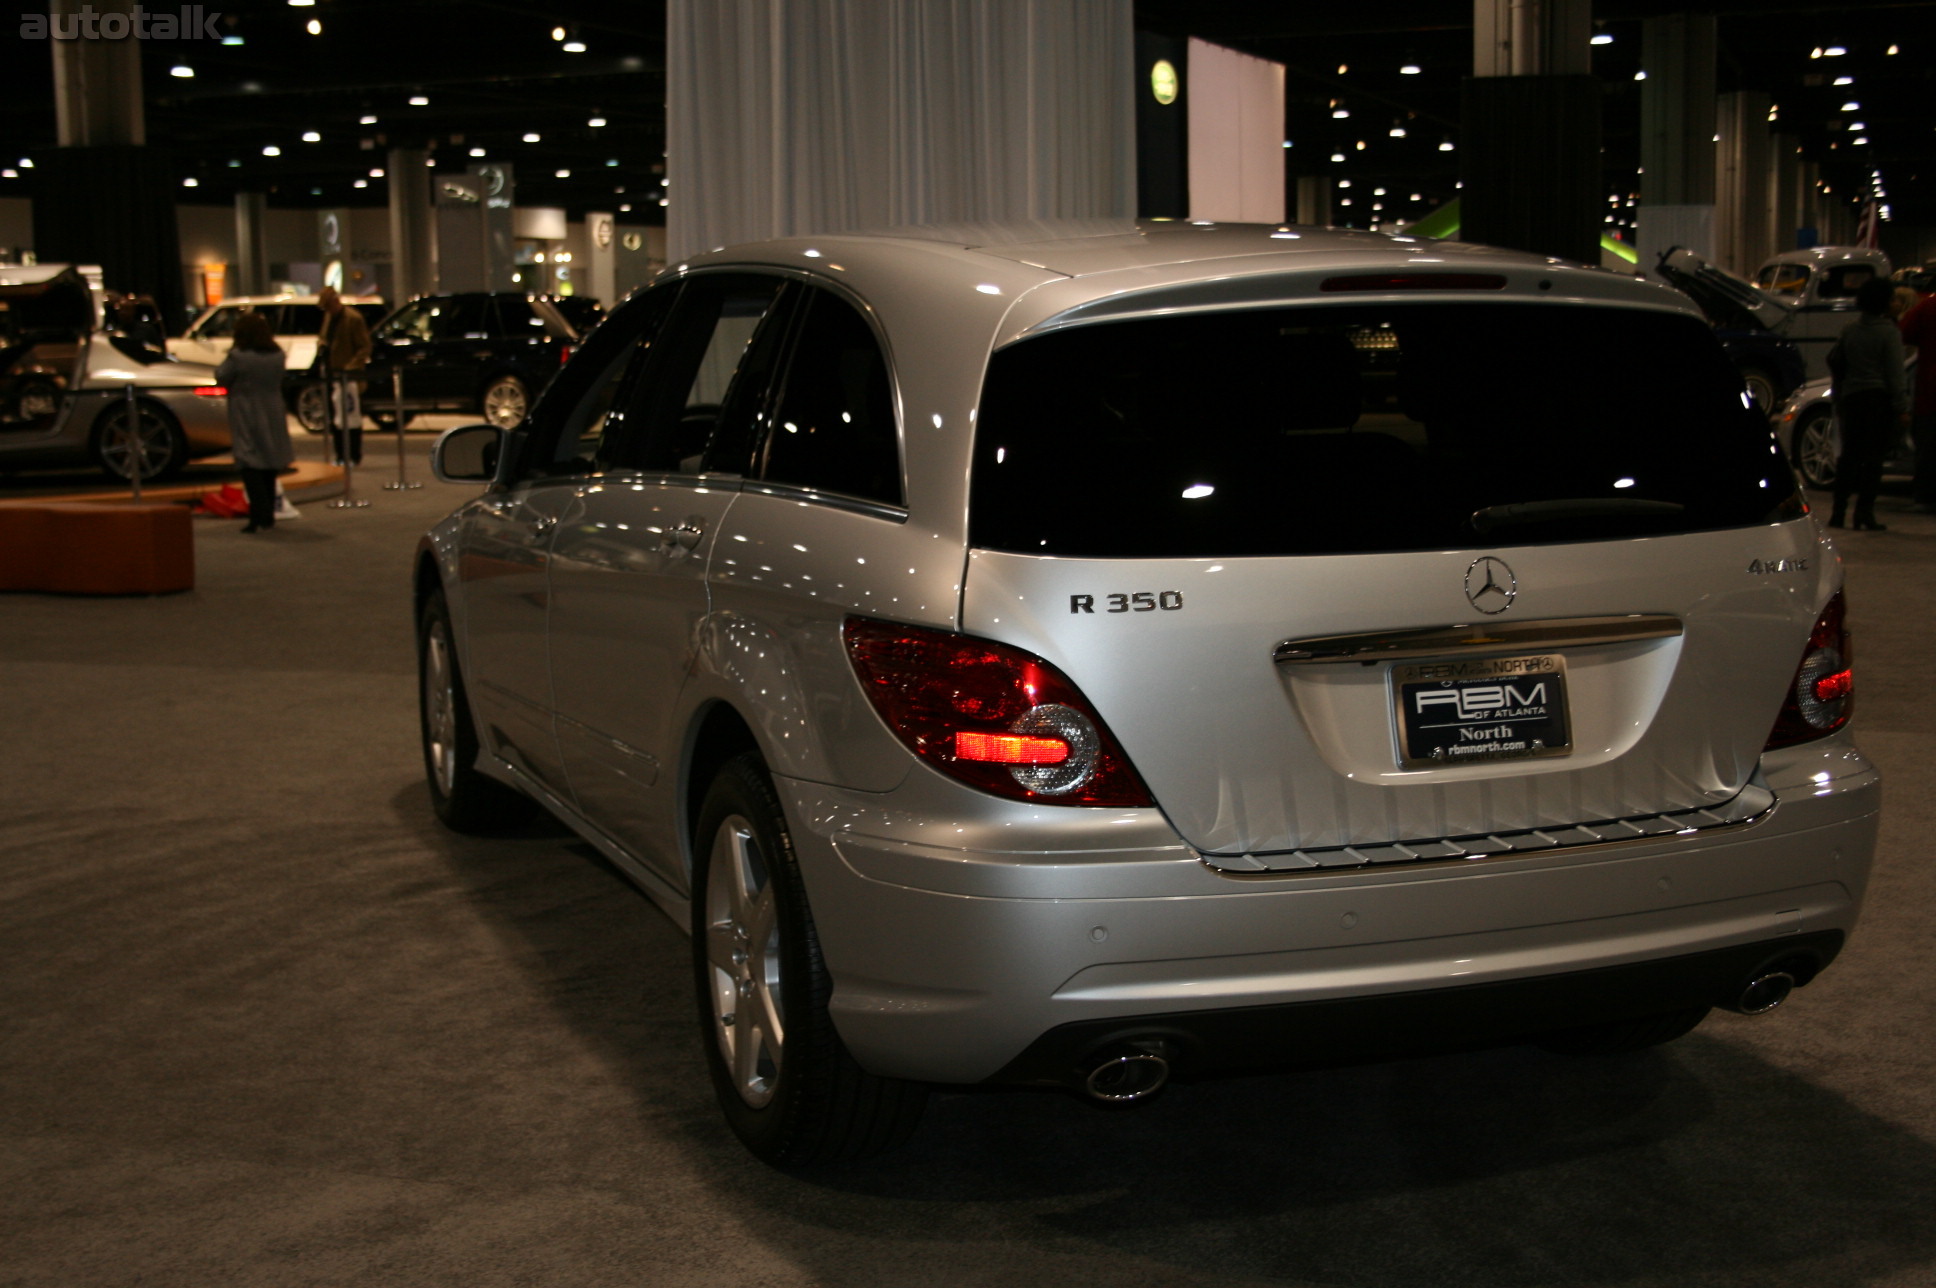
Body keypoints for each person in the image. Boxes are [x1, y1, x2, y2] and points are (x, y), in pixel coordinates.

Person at [1826, 276, 1910, 531]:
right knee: (1873, 460)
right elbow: (1895, 374)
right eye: (1893, 299)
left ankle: (1838, 512)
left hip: (1852, 399)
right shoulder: (1889, 332)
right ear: (1883, 302)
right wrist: (1902, 407)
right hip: (1877, 401)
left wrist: (1839, 396)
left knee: (1849, 457)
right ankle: (1864, 513)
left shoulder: (1850, 329)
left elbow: (1837, 362)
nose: (1896, 303)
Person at [214, 310, 293, 533]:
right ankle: (268, 515)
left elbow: (221, 376)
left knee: (249, 461)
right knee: (269, 462)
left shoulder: (238, 357)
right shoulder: (277, 355)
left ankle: (258, 514)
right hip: (273, 408)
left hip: (246, 410)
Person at [316, 286, 372, 465]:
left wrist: (350, 368)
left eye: (328, 306)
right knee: (336, 418)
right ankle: (340, 454)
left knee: (351, 417)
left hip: (350, 378)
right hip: (333, 375)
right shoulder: (328, 318)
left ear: (335, 301)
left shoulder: (353, 319)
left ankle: (354, 455)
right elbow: (324, 337)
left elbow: (364, 347)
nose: (327, 310)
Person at [1898, 285, 1936, 513]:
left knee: (1928, 447)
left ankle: (1925, 496)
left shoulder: (1928, 307)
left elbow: (1905, 332)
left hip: (1930, 393)